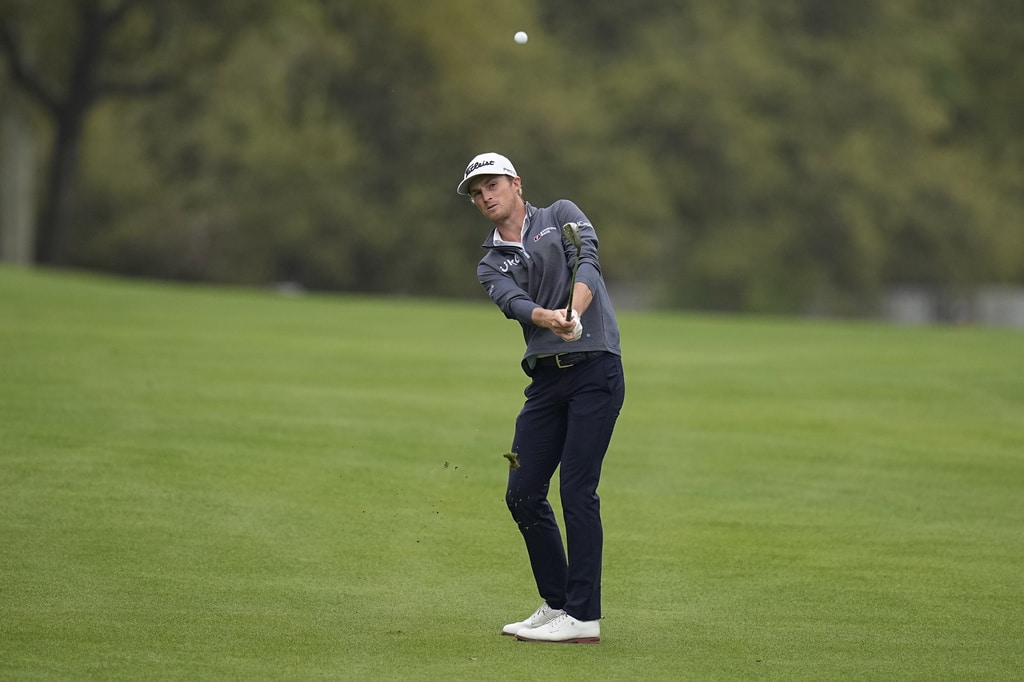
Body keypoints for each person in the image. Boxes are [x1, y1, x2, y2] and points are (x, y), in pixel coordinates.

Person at [457, 152, 626, 644]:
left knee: (577, 491)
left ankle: (584, 617)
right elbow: (514, 303)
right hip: (546, 384)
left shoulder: (560, 215)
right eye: (475, 191)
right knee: (523, 491)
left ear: (515, 183)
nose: (484, 196)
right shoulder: (490, 263)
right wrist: (550, 319)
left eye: (491, 184)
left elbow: (588, 262)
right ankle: (558, 605)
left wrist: (572, 311)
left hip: (596, 369)